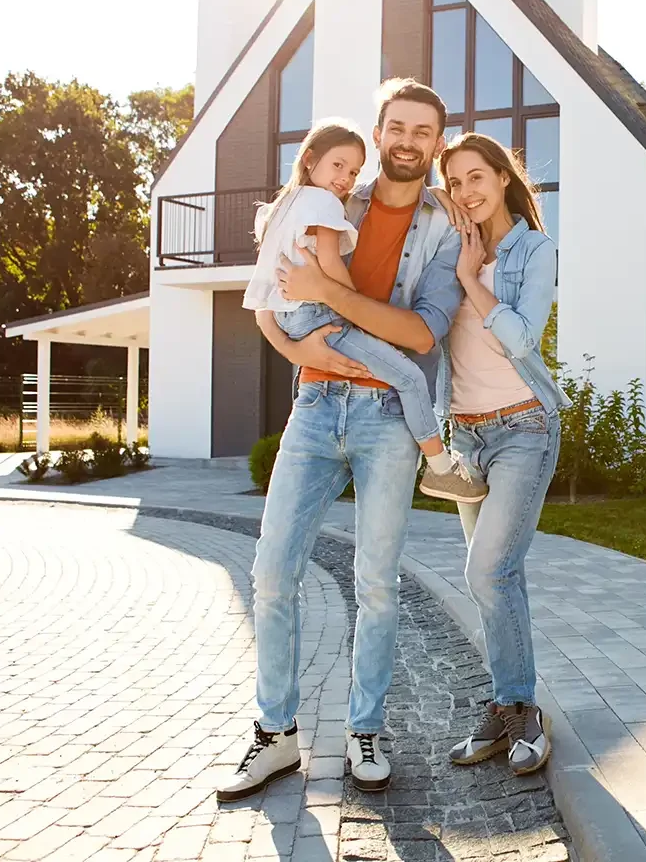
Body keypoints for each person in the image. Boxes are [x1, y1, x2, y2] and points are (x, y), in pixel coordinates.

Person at [217, 79, 466, 802]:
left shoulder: (444, 227)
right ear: (380, 131)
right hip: (317, 406)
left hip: (390, 416)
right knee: (271, 574)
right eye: (397, 126)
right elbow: (276, 288)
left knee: (377, 585)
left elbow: (421, 332)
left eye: (423, 130)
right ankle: (277, 732)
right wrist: (302, 356)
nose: (407, 140)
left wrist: (332, 298)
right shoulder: (333, 197)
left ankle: (365, 729)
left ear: (436, 143)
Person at [241, 116, 485, 503]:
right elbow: (330, 262)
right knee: (409, 378)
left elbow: (263, 288)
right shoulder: (324, 203)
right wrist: (352, 303)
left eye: (353, 170)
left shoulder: (284, 204)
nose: (345, 178)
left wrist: (292, 344)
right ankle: (441, 470)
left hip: (289, 316)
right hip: (320, 317)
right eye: (337, 165)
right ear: (309, 160)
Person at [436, 133, 568, 777]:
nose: (466, 191)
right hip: (467, 438)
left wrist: (470, 279)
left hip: (523, 428)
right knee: (494, 583)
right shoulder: (448, 246)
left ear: (503, 177)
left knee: (488, 571)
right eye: (454, 182)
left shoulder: (534, 249)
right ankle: (506, 708)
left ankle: (522, 710)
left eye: (475, 177)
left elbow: (519, 336)